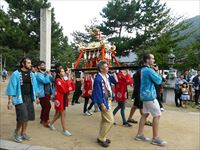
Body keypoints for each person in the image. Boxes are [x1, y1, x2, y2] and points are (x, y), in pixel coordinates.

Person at [135, 54, 167, 146]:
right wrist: (156, 71)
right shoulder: (149, 70)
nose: (154, 60)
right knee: (157, 115)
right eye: (152, 58)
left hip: (144, 95)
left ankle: (139, 134)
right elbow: (159, 80)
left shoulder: (143, 70)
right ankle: (155, 138)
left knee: (145, 114)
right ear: (147, 60)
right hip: (150, 96)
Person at [6, 57, 39, 143]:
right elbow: (11, 88)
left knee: (27, 117)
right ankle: (16, 132)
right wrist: (9, 101)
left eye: (30, 63)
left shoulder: (31, 74)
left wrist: (37, 97)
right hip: (19, 98)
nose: (30, 64)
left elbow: (35, 86)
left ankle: (23, 133)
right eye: (28, 63)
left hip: (29, 98)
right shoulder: (16, 74)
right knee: (22, 117)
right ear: (23, 64)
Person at [92, 61, 117, 148]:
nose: (108, 68)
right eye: (106, 67)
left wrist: (115, 74)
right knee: (110, 121)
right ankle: (101, 138)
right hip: (104, 101)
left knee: (104, 120)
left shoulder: (107, 76)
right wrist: (101, 104)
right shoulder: (98, 79)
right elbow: (97, 92)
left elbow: (116, 81)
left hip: (108, 99)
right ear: (101, 69)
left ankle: (102, 137)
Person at [48, 68, 74, 136]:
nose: (63, 72)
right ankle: (64, 130)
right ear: (59, 73)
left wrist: (69, 76)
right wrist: (68, 78)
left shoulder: (64, 79)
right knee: (62, 114)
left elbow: (70, 85)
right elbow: (64, 89)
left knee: (59, 114)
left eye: (63, 71)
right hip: (60, 98)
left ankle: (50, 124)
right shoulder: (58, 80)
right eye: (62, 71)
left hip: (64, 97)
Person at [36, 61, 53, 127]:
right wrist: (48, 75)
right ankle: (46, 120)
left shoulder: (45, 73)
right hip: (42, 93)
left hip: (47, 92)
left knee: (44, 106)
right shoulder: (39, 74)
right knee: (48, 106)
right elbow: (45, 81)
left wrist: (49, 74)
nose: (44, 66)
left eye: (44, 65)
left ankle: (42, 119)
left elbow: (51, 79)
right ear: (39, 67)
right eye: (42, 65)